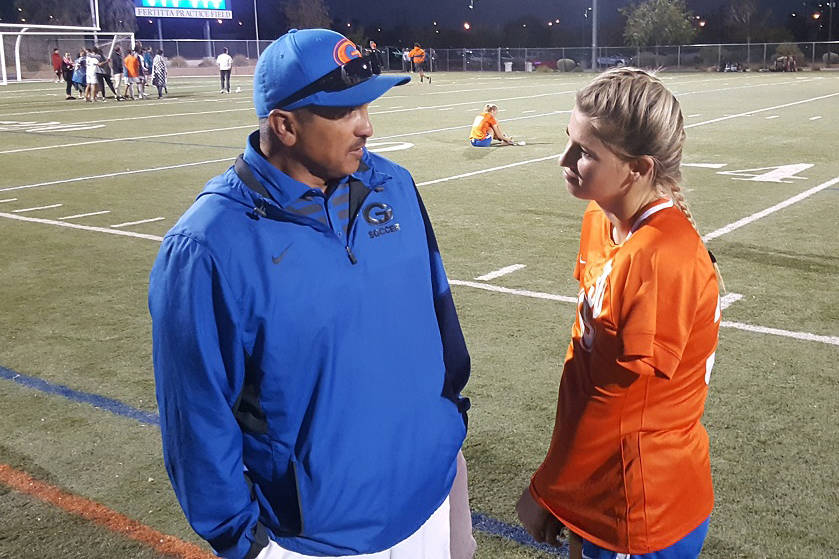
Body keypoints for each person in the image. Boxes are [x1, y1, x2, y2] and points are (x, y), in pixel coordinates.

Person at [149, 28, 475, 559]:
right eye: (345, 112)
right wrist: (249, 544)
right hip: (316, 541)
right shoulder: (207, 245)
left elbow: (441, 319)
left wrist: (446, 427)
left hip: (430, 499)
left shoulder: (394, 185)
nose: (366, 126)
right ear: (285, 125)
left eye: (366, 106)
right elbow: (196, 418)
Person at [516, 67, 722, 559]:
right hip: (602, 488)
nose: (563, 159)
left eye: (585, 152)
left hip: (637, 505)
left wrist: (552, 491)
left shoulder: (659, 258)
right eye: (569, 140)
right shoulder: (601, 216)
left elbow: (619, 403)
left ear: (639, 167)